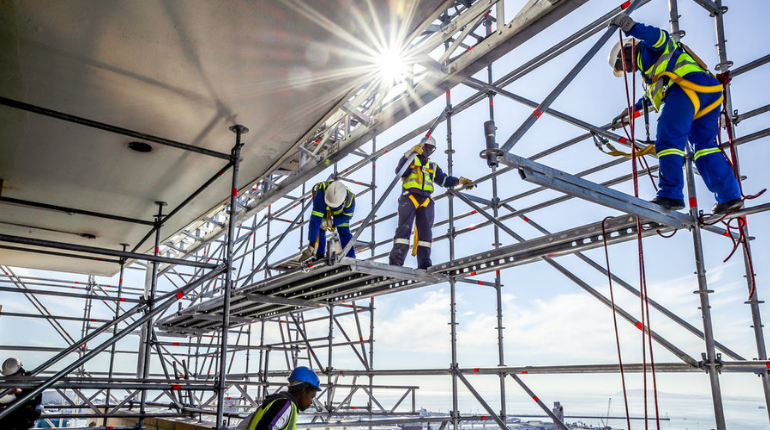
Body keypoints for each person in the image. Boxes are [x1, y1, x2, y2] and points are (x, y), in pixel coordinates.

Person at [608, 13, 743, 214]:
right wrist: (631, 111)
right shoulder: (650, 74)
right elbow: (651, 99)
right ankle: (729, 197)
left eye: (623, 65)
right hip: (707, 92)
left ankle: (670, 194)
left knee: (668, 139)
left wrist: (630, 26)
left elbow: (657, 36)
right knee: (704, 146)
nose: (626, 70)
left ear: (626, 51)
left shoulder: (647, 48)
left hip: (685, 88)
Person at [388, 136, 474, 270]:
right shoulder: (411, 161)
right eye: (425, 147)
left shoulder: (432, 167)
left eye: (430, 148)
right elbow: (399, 171)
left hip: (426, 200)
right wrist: (408, 154)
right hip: (409, 197)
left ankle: (424, 263)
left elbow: (444, 180)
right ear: (420, 147)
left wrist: (460, 181)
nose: (427, 150)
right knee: (404, 229)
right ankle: (396, 261)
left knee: (426, 233)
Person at [236, 366, 320, 430]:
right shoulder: (286, 405)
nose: (311, 402)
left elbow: (242, 426)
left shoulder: (272, 402)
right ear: (304, 391)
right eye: (312, 397)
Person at [298, 180, 356, 262]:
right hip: (324, 209)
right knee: (320, 227)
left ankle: (350, 257)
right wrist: (311, 245)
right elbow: (315, 221)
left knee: (344, 231)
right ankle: (319, 255)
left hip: (341, 215)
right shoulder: (321, 194)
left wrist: (333, 223)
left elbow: (347, 216)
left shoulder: (350, 199)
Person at [0, 358, 42, 430]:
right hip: (8, 421)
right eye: (8, 377)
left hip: (24, 419)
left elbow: (36, 400)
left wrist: (19, 392)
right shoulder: (7, 384)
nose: (9, 379)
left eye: (12, 376)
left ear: (20, 372)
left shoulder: (30, 381)